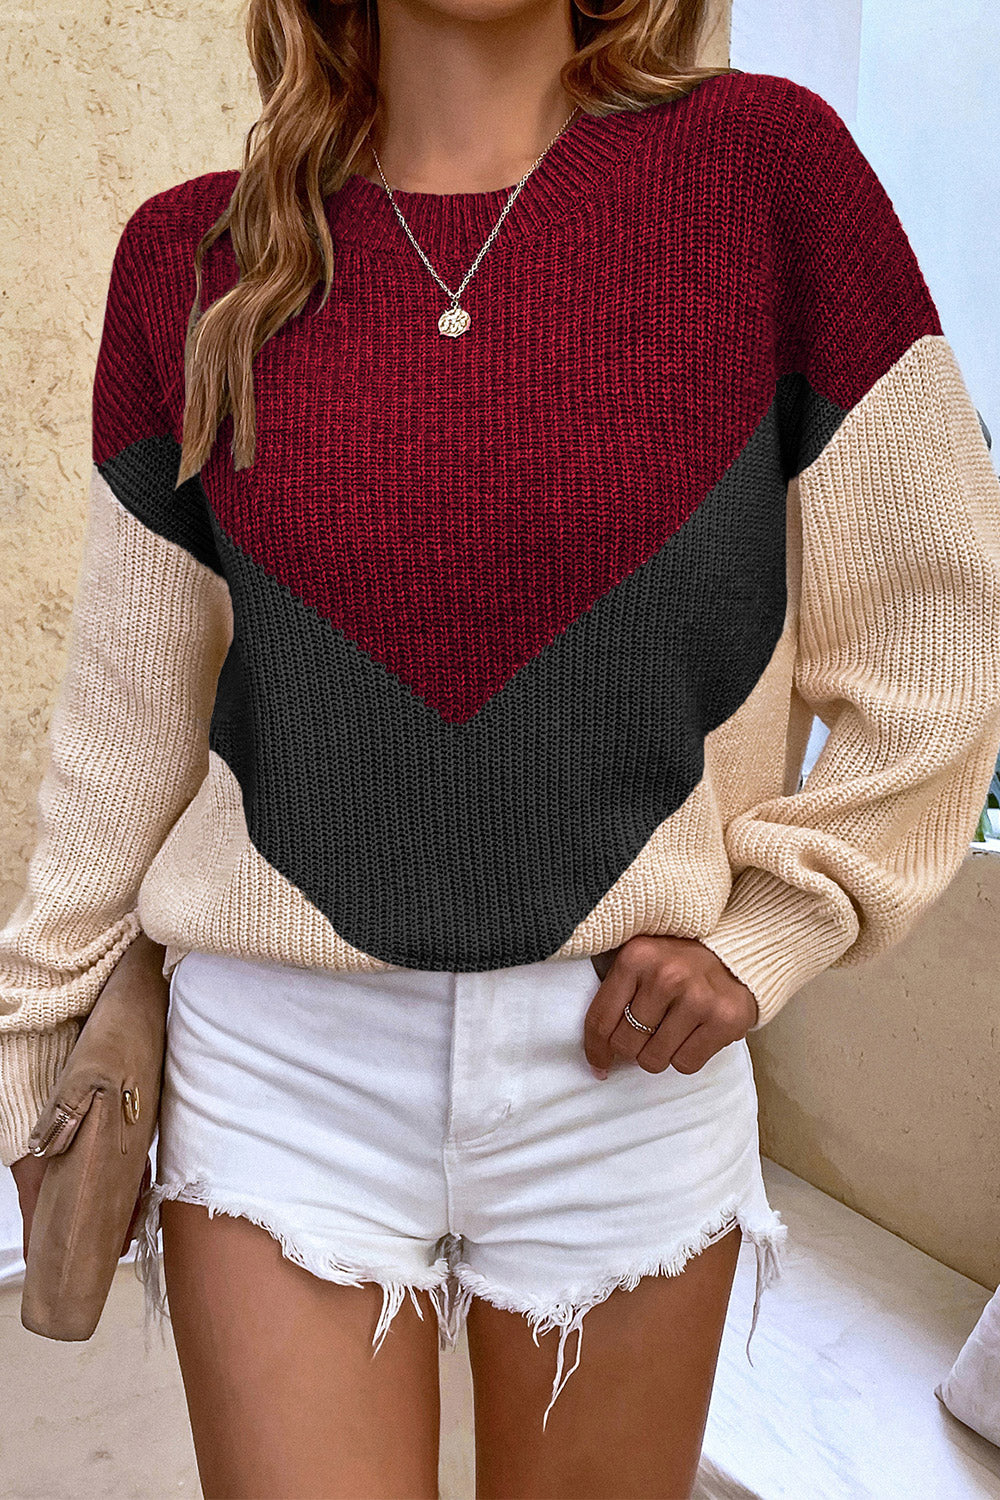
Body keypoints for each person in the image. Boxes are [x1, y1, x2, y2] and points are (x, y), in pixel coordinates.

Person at [4, 0, 1000, 1491]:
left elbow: (941, 623)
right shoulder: (193, 261)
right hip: (278, 1067)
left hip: (626, 1075)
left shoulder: (767, 179)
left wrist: (782, 923)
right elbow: (125, 725)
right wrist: (35, 1047)